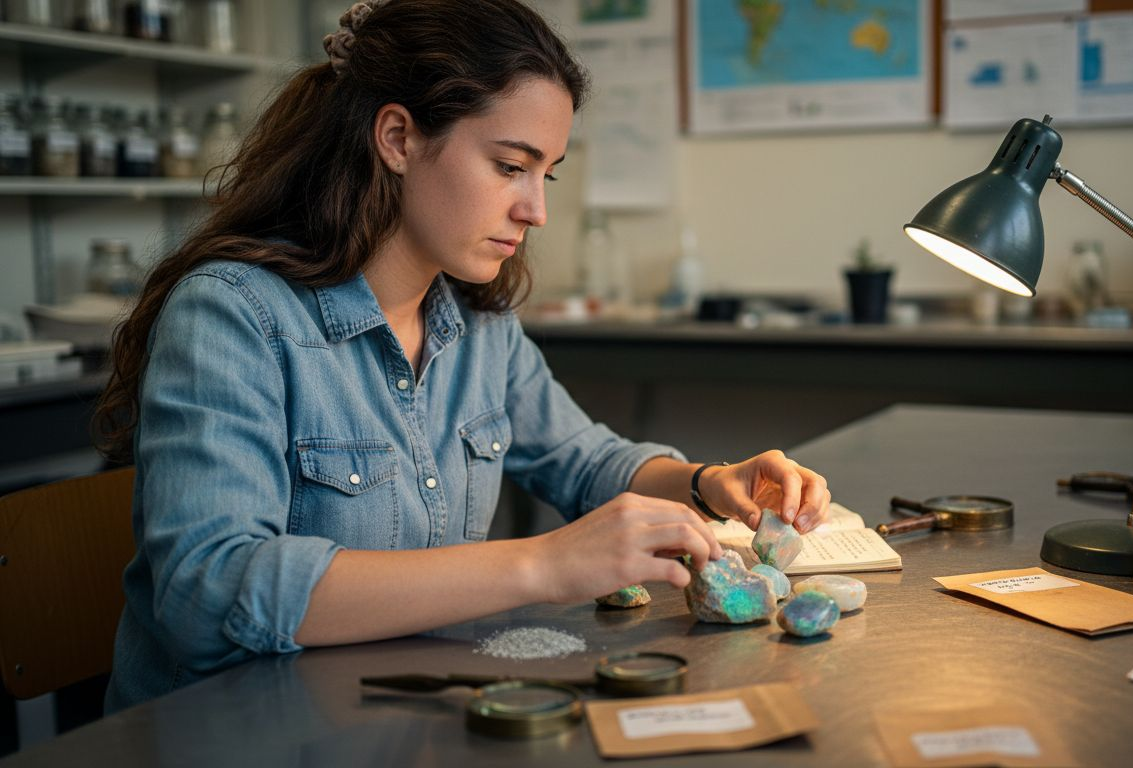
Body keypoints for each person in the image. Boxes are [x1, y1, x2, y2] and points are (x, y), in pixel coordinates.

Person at [96, 0, 831, 712]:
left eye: (547, 173)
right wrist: (542, 565)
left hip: (394, 712)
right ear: (397, 138)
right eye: (510, 165)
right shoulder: (232, 314)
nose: (535, 210)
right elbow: (211, 590)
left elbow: (584, 461)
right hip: (234, 732)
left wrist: (707, 483)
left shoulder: (477, 323)